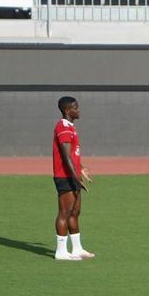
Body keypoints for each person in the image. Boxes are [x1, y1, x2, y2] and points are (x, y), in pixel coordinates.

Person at [52, 95, 95, 262]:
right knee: (65, 212)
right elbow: (65, 155)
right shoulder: (63, 127)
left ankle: (77, 248)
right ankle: (61, 251)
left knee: (75, 212)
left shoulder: (70, 127)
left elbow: (73, 155)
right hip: (65, 176)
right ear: (66, 110)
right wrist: (75, 176)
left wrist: (81, 168)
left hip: (72, 175)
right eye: (75, 107)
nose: (79, 110)